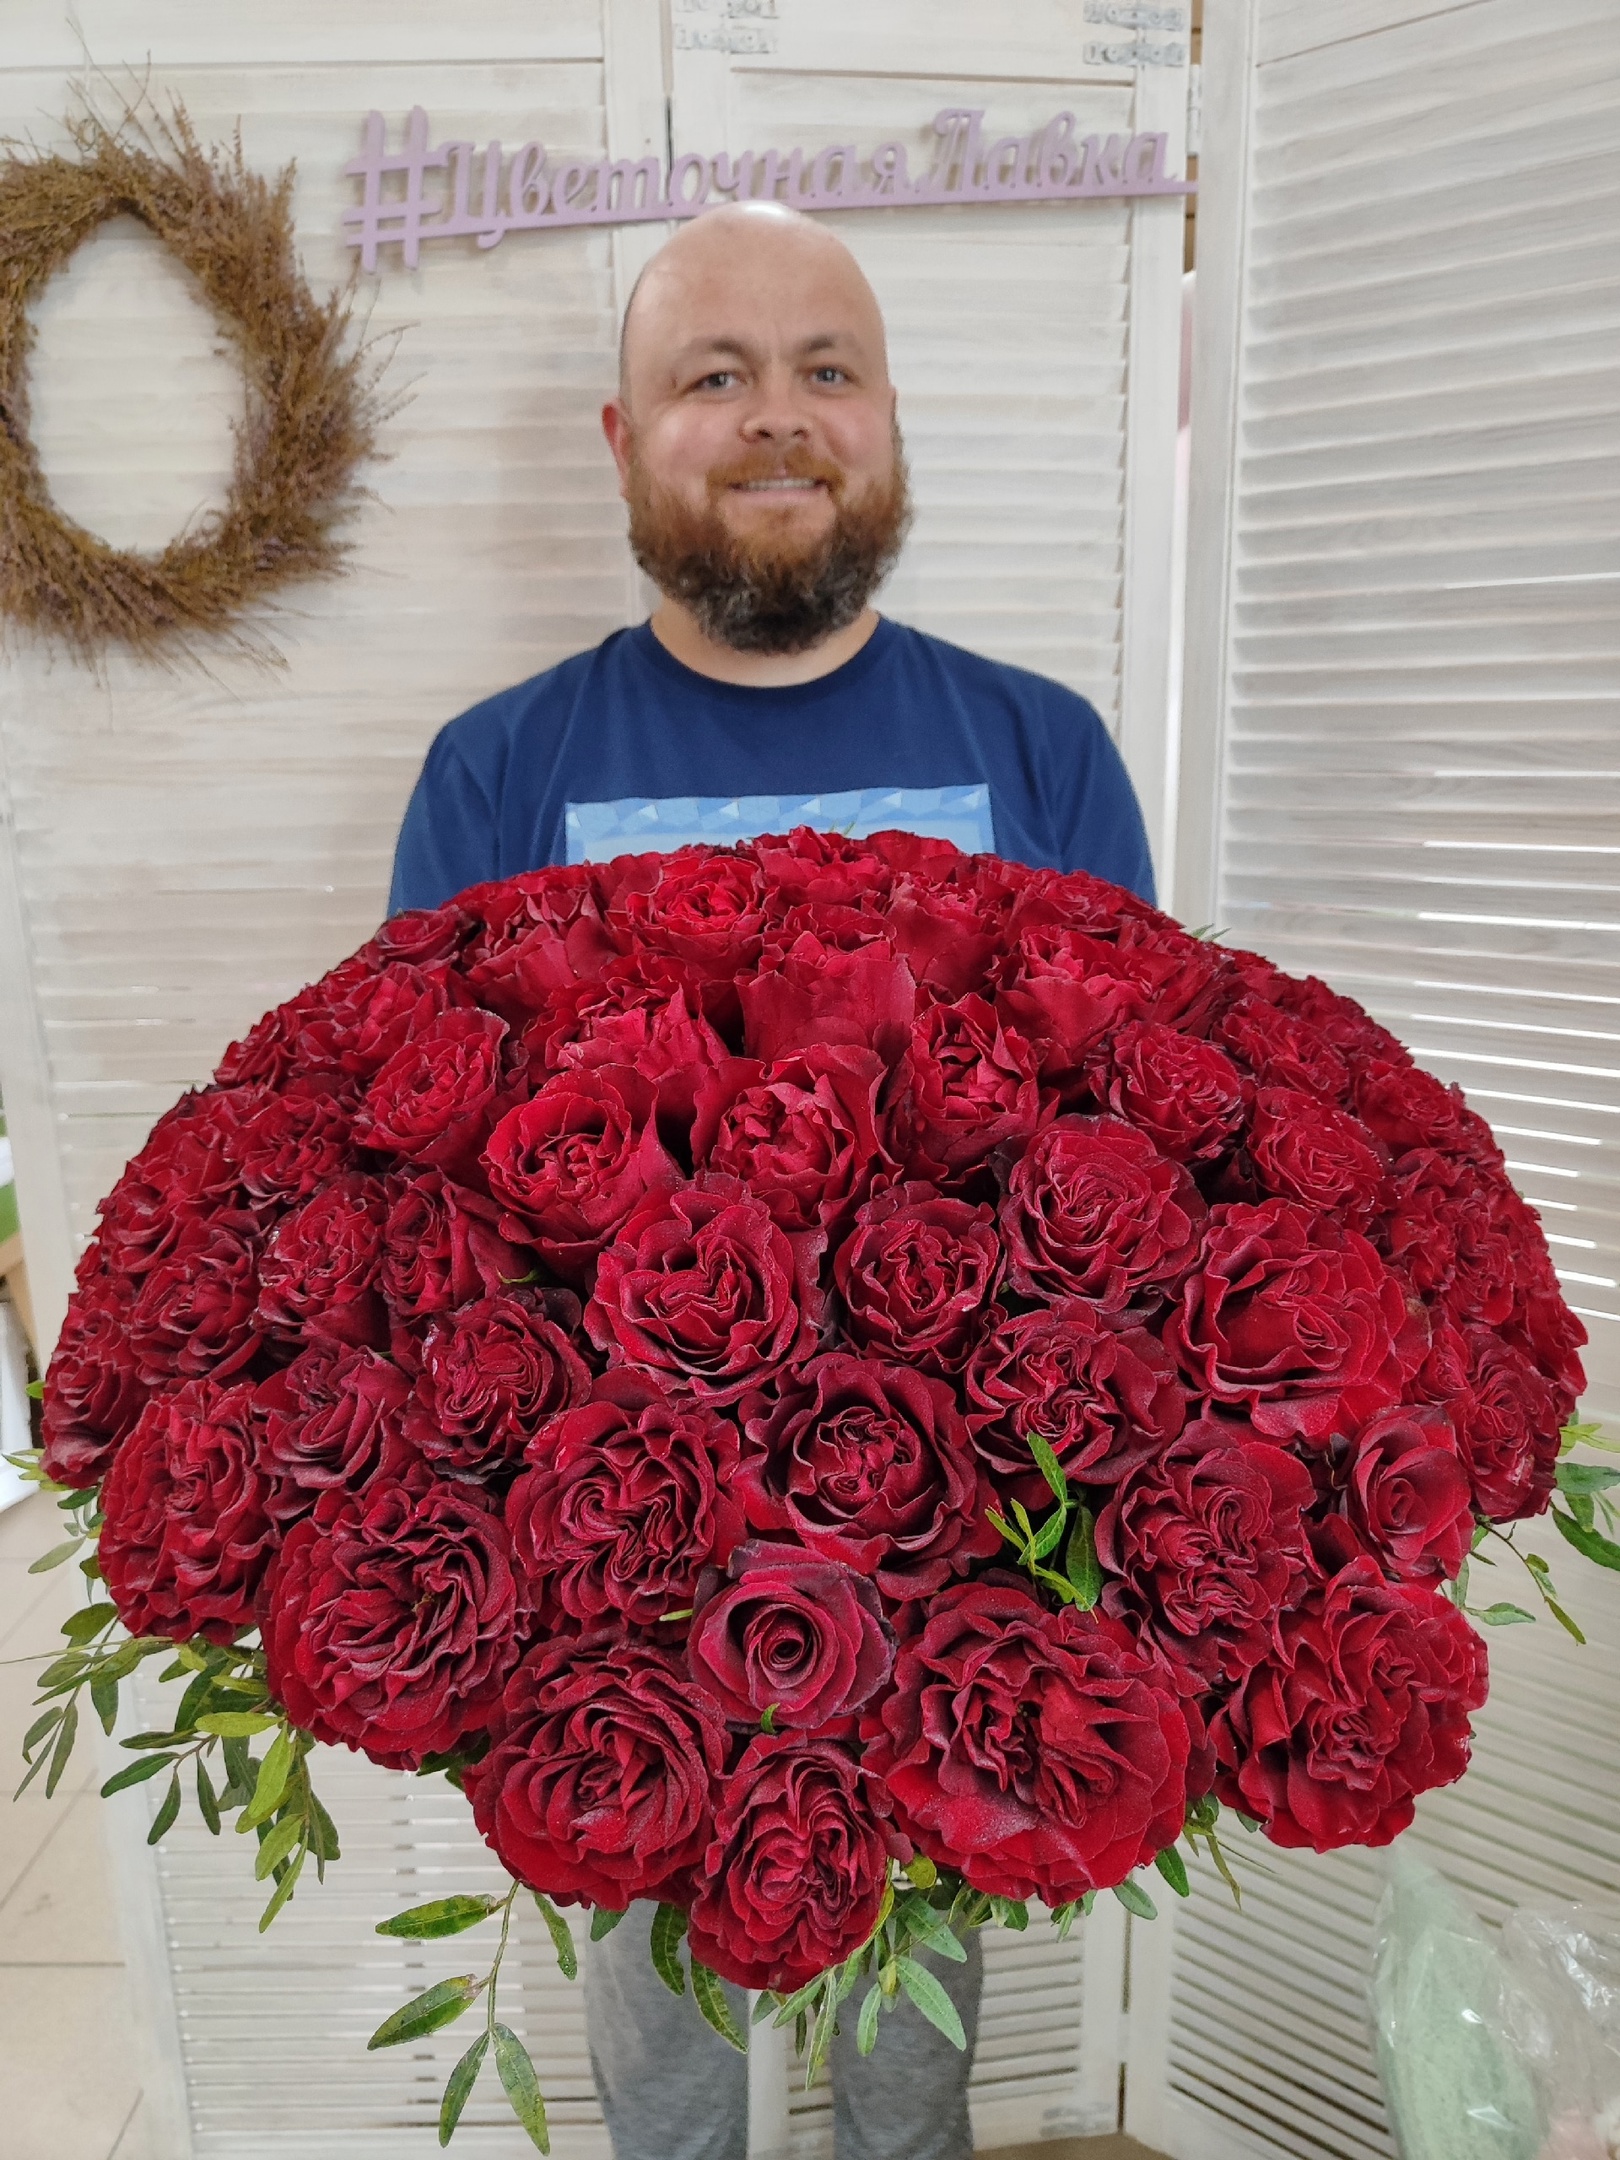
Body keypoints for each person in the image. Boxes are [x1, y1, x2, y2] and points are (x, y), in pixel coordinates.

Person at [389, 200, 1157, 2160]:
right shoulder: (497, 773)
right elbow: (428, 1209)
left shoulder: (1043, 754)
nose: (777, 417)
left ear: (887, 417)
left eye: (827, 370)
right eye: (711, 377)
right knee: (663, 2060)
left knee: (913, 2061)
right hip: (620, 1585)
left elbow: (1134, 1174)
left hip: (958, 1570)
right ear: (622, 437)